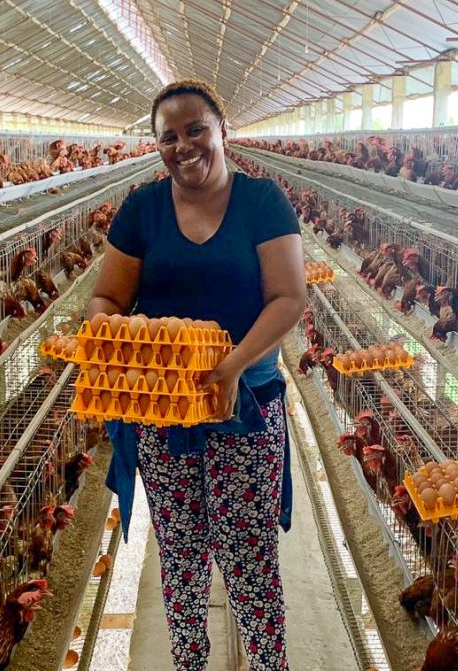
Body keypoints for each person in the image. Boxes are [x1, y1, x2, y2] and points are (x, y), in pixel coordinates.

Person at [86, 79, 305, 671]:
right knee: (180, 549)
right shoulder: (141, 210)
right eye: (168, 137)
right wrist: (117, 343)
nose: (183, 145)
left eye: (195, 130)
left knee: (247, 551)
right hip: (165, 411)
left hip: (247, 405)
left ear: (222, 131)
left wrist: (230, 365)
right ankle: (189, 660)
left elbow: (288, 299)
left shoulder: (263, 202)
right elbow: (106, 297)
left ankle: (267, 663)